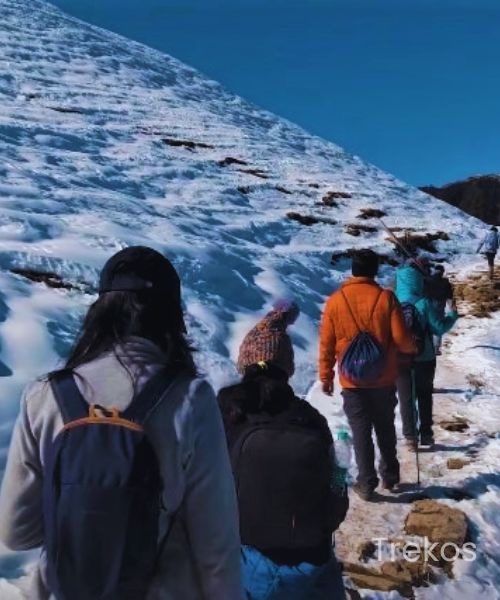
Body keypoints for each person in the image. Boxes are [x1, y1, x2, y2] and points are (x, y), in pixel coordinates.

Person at [0, 246, 244, 600]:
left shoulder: (46, 395)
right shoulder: (191, 399)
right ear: (171, 318)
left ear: (100, 312)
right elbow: (216, 545)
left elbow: (16, 531)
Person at [219, 300, 348, 600]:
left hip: (244, 556)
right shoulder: (310, 418)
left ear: (244, 364)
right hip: (313, 559)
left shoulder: (224, 414)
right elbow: (337, 487)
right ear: (287, 368)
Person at [319, 250, 416, 501]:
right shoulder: (386, 298)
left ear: (353, 270)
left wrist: (326, 377)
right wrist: (410, 350)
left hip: (352, 380)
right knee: (385, 427)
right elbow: (403, 340)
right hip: (383, 378)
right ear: (374, 271)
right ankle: (390, 475)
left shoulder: (336, 300)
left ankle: (366, 481)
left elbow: (327, 344)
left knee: (360, 430)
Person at [395, 259, 459, 448]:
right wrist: (452, 316)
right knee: (424, 395)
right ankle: (426, 435)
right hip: (425, 358)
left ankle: (410, 438)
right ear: (418, 281)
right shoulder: (423, 303)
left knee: (406, 398)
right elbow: (439, 328)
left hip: (401, 359)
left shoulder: (392, 303)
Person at [425, 264, 454, 355]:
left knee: (427, 323)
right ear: (442, 272)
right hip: (440, 305)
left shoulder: (428, 279)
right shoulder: (445, 282)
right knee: (438, 325)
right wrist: (452, 307)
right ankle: (436, 348)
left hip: (428, 303)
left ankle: (427, 345)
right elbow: (449, 296)